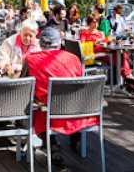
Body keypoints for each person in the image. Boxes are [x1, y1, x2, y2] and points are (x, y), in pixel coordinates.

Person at [25, 27, 98, 159]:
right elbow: (80, 83)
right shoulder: (74, 58)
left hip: (50, 115)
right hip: (78, 112)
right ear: (59, 43)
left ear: (40, 44)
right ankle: (75, 139)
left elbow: (23, 85)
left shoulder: (31, 60)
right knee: (66, 97)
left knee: (36, 107)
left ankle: (51, 144)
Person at [79, 15, 134, 93]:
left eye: (97, 22)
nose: (96, 24)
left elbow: (105, 41)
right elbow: (82, 44)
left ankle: (128, 80)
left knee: (122, 55)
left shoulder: (100, 33)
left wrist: (110, 41)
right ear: (89, 23)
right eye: (94, 22)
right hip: (95, 53)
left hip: (105, 51)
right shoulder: (84, 33)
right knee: (119, 57)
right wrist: (94, 43)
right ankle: (128, 79)